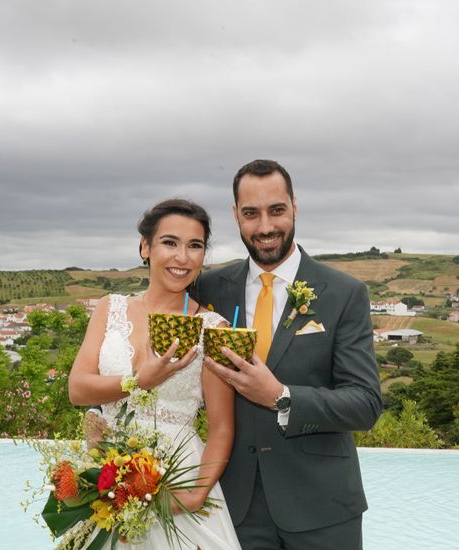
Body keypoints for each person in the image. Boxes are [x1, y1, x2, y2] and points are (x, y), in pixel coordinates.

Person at [198, 159, 383, 549]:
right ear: (235, 216)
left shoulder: (344, 293)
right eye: (251, 213)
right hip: (236, 508)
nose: (265, 227)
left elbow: (365, 404)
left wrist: (281, 397)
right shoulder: (209, 289)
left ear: (295, 207)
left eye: (276, 210)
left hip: (324, 508)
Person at [68, 198, 242, 549]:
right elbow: (78, 390)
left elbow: (222, 426)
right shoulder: (109, 308)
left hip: (180, 478)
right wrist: (139, 381)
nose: (183, 257)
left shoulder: (212, 327)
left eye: (195, 246)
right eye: (170, 243)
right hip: (109, 475)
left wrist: (195, 495)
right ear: (145, 247)